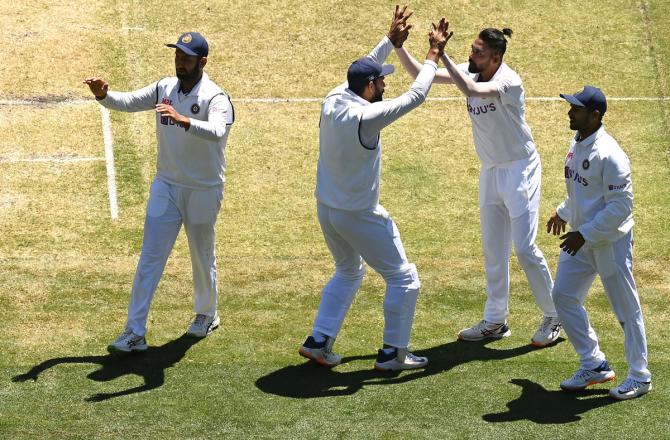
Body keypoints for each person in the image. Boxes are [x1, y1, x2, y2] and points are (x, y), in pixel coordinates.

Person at [299, 7, 451, 371]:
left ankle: (319, 341)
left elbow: (364, 65)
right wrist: (432, 56)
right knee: (404, 278)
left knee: (349, 271)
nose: (385, 85)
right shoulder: (368, 117)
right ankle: (392, 354)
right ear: (369, 88)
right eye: (381, 81)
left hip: (327, 210)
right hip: (359, 215)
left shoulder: (333, 98)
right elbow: (415, 97)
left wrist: (390, 41)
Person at [394, 25, 560, 346]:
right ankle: (496, 320)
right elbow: (419, 72)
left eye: (479, 52)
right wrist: (399, 46)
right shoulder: (472, 73)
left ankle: (556, 314)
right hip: (491, 171)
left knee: (525, 249)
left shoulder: (509, 81)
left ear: (495, 57)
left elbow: (472, 91)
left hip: (520, 169)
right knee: (494, 251)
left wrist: (443, 55)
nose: (472, 54)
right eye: (472, 49)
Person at [84, 32, 234, 352]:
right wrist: (104, 96)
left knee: (201, 254)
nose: (180, 61)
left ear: (202, 62)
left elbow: (219, 130)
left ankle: (207, 313)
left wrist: (185, 120)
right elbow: (128, 102)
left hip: (203, 190)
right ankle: (134, 332)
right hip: (166, 185)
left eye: (187, 57)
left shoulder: (216, 97)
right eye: (178, 55)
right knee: (150, 259)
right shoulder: (163, 87)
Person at [547, 86, 652, 400]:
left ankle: (640, 376)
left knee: (626, 310)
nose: (570, 112)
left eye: (576, 109)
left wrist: (585, 234)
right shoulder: (578, 141)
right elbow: (582, 191)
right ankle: (593, 364)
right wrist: (564, 212)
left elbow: (621, 206)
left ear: (594, 115)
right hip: (580, 239)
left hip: (609, 243)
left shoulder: (611, 154)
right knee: (563, 296)